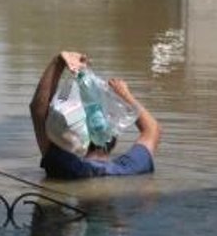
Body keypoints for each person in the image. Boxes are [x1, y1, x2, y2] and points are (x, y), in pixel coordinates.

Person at [30, 51, 161, 179]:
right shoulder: (131, 168)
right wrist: (125, 95)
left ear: (74, 135)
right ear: (113, 137)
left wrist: (58, 62)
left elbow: (38, 109)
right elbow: (152, 129)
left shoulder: (65, 166)